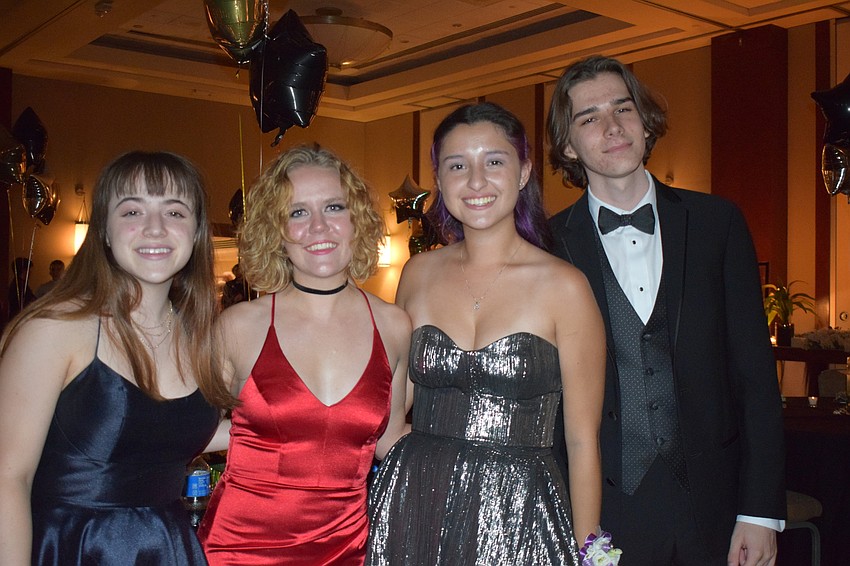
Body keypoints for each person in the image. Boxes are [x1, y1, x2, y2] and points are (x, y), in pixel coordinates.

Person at [546, 55, 785, 565]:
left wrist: (760, 511)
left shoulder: (718, 223)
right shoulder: (546, 246)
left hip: (715, 505)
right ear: (567, 144)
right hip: (598, 510)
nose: (612, 127)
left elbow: (756, 376)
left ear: (644, 120)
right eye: (589, 118)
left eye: (623, 108)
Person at [366, 102, 607, 565]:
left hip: (520, 514)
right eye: (458, 166)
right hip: (417, 503)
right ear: (439, 180)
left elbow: (582, 442)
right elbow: (390, 415)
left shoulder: (565, 286)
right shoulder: (416, 274)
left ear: (524, 173)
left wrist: (591, 555)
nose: (476, 182)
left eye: (494, 161)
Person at [0, 151, 234, 565]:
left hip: (167, 547)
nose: (155, 228)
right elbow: (8, 478)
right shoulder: (55, 328)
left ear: (197, 231)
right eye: (132, 211)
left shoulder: (200, 336)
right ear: (104, 232)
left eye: (174, 212)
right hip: (73, 548)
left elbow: (162, 433)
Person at [197, 144, 411, 565]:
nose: (318, 226)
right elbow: (187, 431)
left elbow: (389, 442)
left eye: (333, 207)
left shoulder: (394, 326)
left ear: (356, 219)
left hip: (347, 550)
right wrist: (251, 435)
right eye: (297, 212)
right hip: (238, 550)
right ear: (276, 230)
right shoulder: (239, 326)